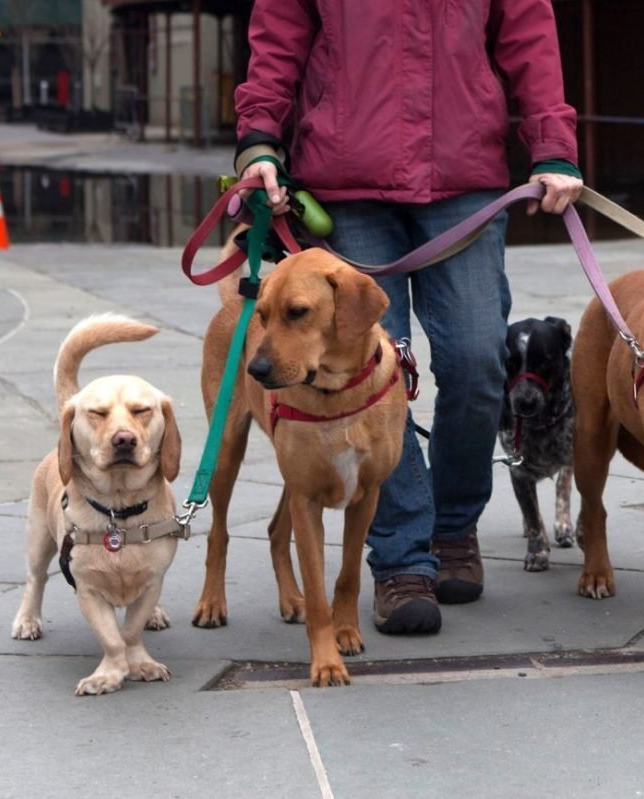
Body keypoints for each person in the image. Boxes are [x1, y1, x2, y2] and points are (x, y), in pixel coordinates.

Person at [232, 1, 583, 635]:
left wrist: (552, 144)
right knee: (363, 378)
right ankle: (401, 559)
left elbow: (528, 29)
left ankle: (452, 528)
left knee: (478, 362)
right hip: (345, 180)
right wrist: (260, 137)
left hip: (464, 177)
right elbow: (280, 29)